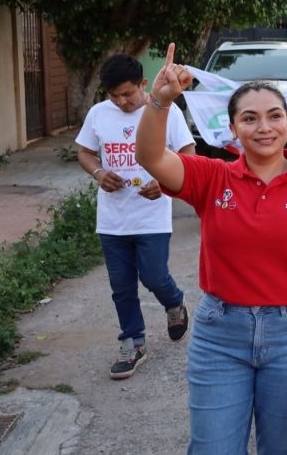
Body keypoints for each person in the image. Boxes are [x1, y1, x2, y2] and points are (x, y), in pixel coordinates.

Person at [134, 44, 287, 454]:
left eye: (274, 116)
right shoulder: (211, 177)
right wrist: (160, 101)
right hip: (221, 335)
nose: (264, 127)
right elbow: (150, 156)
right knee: (212, 448)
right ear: (233, 129)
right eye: (249, 119)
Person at [75, 54, 194, 380]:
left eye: (127, 93)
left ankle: (174, 303)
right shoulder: (99, 113)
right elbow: (84, 152)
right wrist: (99, 172)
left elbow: (188, 156)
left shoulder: (165, 111)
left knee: (154, 276)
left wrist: (167, 182)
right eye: (114, 95)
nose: (121, 101)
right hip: (112, 220)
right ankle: (133, 343)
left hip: (152, 217)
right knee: (121, 286)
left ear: (143, 84)